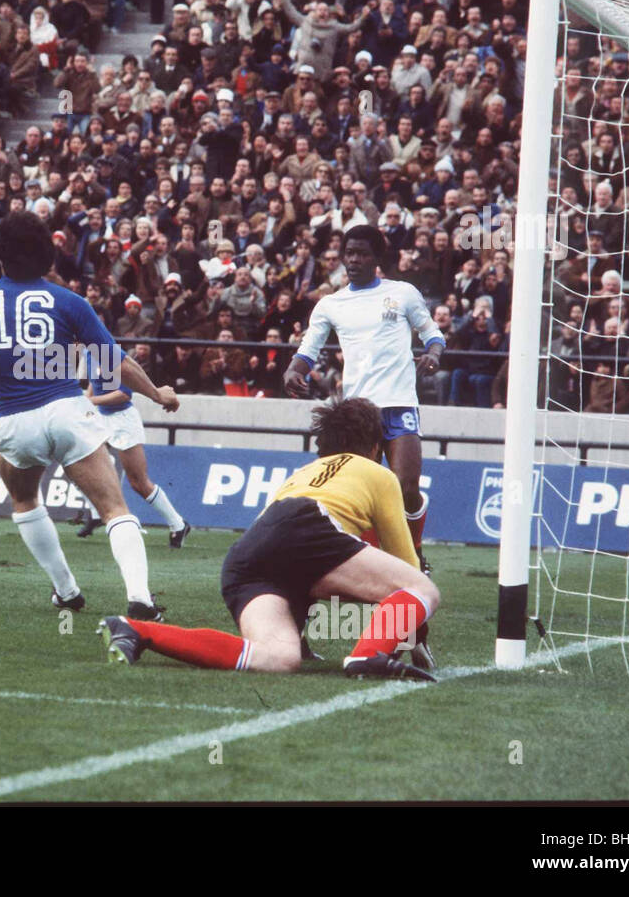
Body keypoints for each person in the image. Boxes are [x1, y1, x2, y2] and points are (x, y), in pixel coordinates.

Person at [97, 398, 440, 681]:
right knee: (421, 588)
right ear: (376, 447)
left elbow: (290, 548)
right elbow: (405, 570)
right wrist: (408, 631)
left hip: (248, 555)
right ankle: (366, 658)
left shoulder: (301, 473)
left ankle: (137, 630)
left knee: (276, 656)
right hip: (309, 529)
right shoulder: (378, 473)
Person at [0, 211, 179, 618]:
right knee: (115, 508)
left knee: (24, 500)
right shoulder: (69, 301)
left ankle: (67, 592)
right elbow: (114, 362)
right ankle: (140, 599)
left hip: (15, 420)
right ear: (47, 257)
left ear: (0, 257)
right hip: (69, 412)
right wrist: (157, 393)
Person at [283, 225, 444, 619]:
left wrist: (433, 354)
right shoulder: (331, 304)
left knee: (405, 489)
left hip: (401, 403)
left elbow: (432, 333)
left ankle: (414, 555)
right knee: (358, 499)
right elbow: (309, 347)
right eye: (347, 253)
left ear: (376, 257)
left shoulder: (402, 293)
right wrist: (294, 368)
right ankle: (362, 569)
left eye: (360, 253)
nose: (352, 260)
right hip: (358, 413)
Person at [75, 348, 192, 545]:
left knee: (138, 482)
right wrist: (88, 404)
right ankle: (96, 514)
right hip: (101, 417)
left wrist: (89, 400)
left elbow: (124, 395)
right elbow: (94, 386)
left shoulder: (111, 353)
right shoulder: (88, 354)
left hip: (123, 420)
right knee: (78, 463)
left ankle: (178, 524)